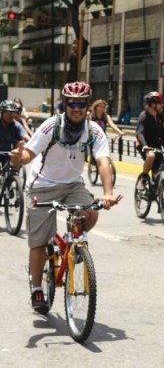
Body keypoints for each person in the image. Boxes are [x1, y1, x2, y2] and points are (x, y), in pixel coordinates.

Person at [9, 81, 120, 312]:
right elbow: (30, 152)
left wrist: (108, 193)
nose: (76, 108)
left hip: (72, 185)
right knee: (39, 242)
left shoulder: (94, 130)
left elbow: (103, 161)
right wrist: (20, 158)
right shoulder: (52, 126)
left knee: (90, 213)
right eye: (72, 103)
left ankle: (73, 245)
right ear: (65, 103)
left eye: (81, 103)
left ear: (88, 105)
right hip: (42, 186)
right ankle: (37, 288)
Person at [135, 91, 164, 181]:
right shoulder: (144, 116)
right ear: (153, 104)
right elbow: (139, 133)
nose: (162, 105)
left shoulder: (159, 116)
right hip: (143, 145)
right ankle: (144, 178)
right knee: (151, 156)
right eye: (160, 103)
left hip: (156, 146)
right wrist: (145, 145)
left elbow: (162, 134)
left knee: (158, 170)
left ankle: (156, 189)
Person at [0, 100, 29, 165]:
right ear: (2, 112)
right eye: (8, 112)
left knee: (20, 143)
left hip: (10, 153)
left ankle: (15, 168)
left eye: (13, 112)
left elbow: (25, 136)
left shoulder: (16, 125)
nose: (11, 115)